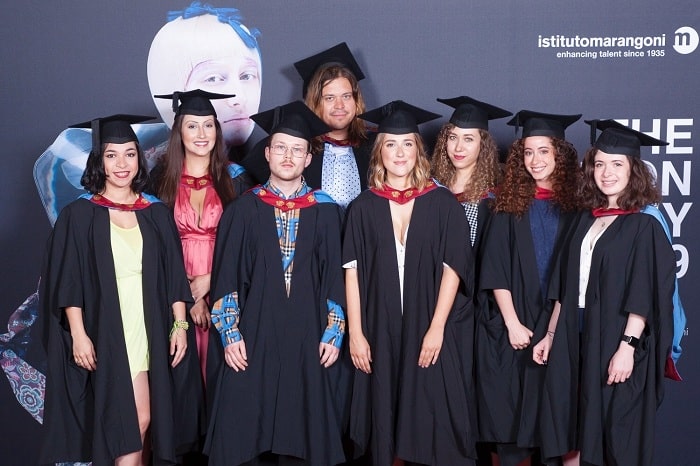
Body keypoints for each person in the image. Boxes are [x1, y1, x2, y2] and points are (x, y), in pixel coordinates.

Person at [38, 115, 201, 465]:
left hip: (148, 326)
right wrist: (79, 335)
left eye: (130, 154)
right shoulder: (80, 215)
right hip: (106, 327)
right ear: (100, 161)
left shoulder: (155, 212)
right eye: (112, 155)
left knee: (145, 423)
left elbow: (173, 273)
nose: (122, 164)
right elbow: (69, 281)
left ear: (139, 158)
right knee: (130, 422)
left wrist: (180, 325)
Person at [204, 101, 348, 466]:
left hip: (308, 334)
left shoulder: (326, 210)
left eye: (297, 150)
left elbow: (336, 276)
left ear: (308, 159)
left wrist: (334, 332)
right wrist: (230, 333)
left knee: (303, 434)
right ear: (267, 153)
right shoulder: (243, 210)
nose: (288, 156)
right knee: (245, 433)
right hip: (254, 333)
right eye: (281, 147)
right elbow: (227, 276)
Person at [532, 120, 675, 466]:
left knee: (611, 434)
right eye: (599, 164)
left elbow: (645, 292)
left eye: (616, 164)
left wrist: (627, 347)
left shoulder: (644, 224)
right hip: (573, 336)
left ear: (633, 170)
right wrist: (550, 334)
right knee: (571, 429)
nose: (606, 173)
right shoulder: (585, 219)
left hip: (613, 337)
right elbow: (564, 283)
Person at [343, 100, 477, 465]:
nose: (399, 153)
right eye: (390, 144)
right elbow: (351, 272)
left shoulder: (442, 203)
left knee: (433, 415)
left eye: (407, 144)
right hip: (379, 328)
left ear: (418, 150)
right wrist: (356, 333)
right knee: (384, 413)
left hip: (428, 325)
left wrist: (436, 328)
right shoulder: (363, 207)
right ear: (379, 151)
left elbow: (453, 269)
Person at [476, 110, 582, 466]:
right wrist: (512, 324)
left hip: (560, 325)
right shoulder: (507, 204)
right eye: (528, 152)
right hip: (517, 325)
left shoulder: (579, 209)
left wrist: (553, 328)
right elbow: (494, 270)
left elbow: (578, 275)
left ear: (560, 155)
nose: (535, 160)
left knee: (560, 423)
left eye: (544, 151)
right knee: (512, 424)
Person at [150, 89, 252, 387]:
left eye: (208, 125)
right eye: (192, 126)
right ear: (178, 132)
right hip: (173, 288)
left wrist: (211, 280)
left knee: (223, 373)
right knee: (182, 375)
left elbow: (247, 243)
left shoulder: (236, 179)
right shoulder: (160, 181)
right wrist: (188, 295)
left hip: (225, 284)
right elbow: (153, 245)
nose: (202, 134)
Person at [243, 42, 373, 204]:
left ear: (356, 100)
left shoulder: (375, 147)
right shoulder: (294, 146)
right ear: (315, 103)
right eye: (329, 98)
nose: (339, 105)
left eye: (346, 96)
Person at [147, 1, 264, 163]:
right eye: (213, 78)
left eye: (246, 76)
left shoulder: (256, 169)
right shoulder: (153, 172)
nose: (239, 98)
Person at [431, 95, 511, 249]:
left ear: (483, 146)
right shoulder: (432, 187)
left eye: (468, 139)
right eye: (453, 137)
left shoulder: (492, 200)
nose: (458, 147)